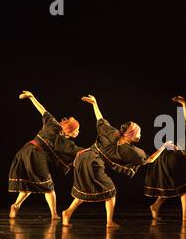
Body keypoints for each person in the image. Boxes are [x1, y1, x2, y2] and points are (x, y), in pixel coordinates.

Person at [62, 95, 170, 228]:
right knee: (110, 191)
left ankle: (67, 213)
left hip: (83, 157)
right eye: (138, 133)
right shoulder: (132, 151)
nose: (140, 135)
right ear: (131, 135)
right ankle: (109, 223)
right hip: (92, 162)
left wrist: (94, 103)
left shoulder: (112, 132)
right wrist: (164, 146)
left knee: (87, 188)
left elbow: (99, 119)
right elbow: (150, 159)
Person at [9, 91, 82, 220]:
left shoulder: (53, 123)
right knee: (48, 187)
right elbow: (78, 151)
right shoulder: (63, 142)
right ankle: (54, 214)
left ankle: (16, 205)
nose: (78, 132)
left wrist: (32, 97)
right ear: (69, 131)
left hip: (25, 151)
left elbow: (42, 110)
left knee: (30, 182)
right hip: (36, 155)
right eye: (76, 130)